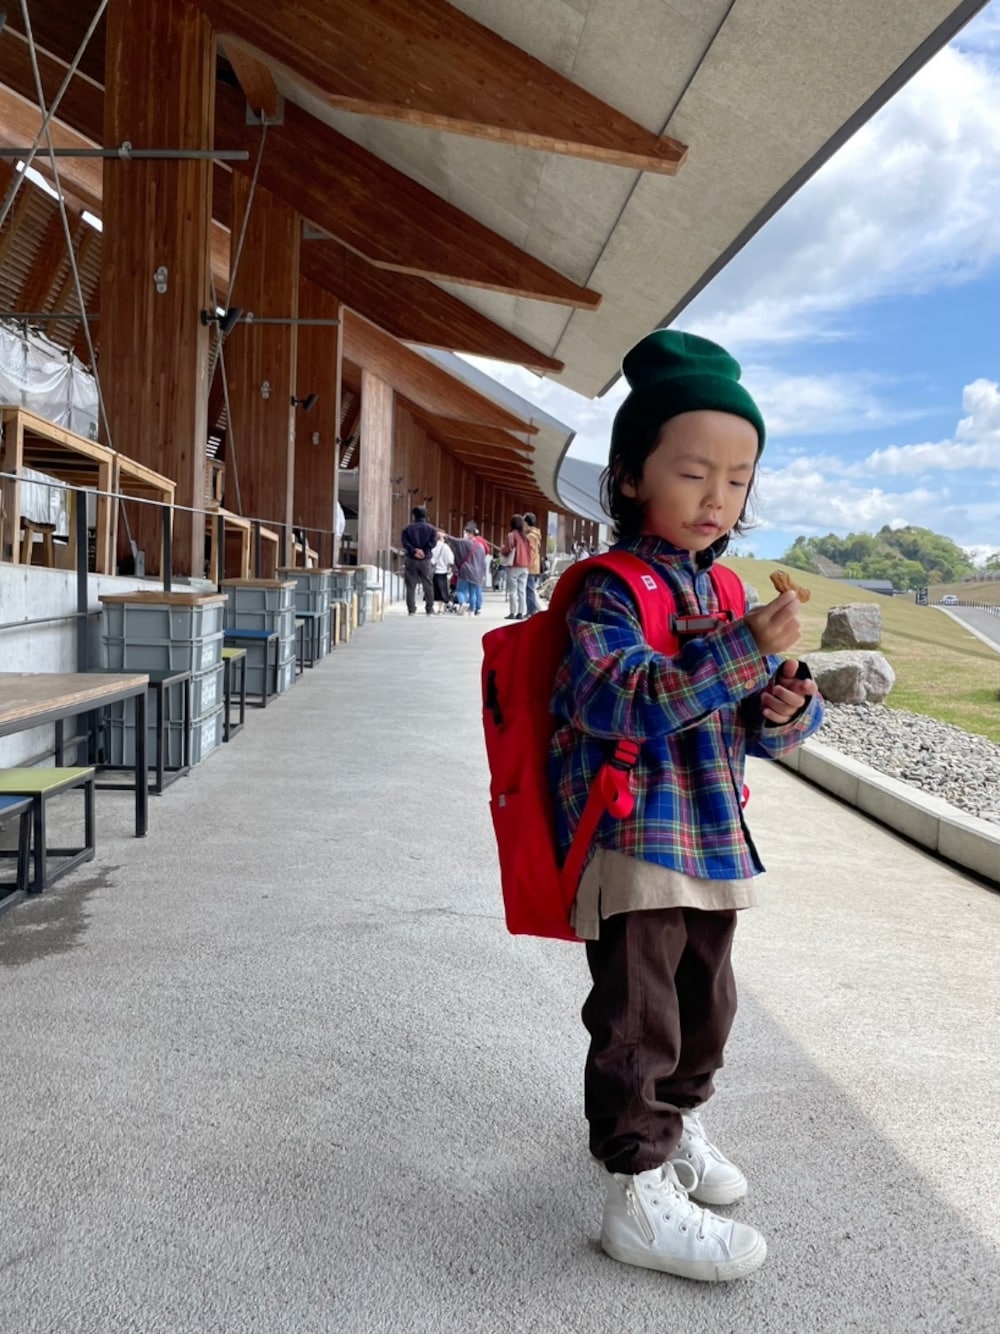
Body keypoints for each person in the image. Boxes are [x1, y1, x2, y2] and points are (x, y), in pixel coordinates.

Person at [549, 329, 823, 1283]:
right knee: (640, 1015)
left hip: (711, 831)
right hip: (635, 832)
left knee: (709, 1003)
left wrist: (786, 705)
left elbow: (752, 727)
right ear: (630, 477)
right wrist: (744, 652)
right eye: (694, 472)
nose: (718, 498)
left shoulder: (727, 589)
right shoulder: (609, 592)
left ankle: (680, 1125)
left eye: (738, 480)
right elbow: (616, 697)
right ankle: (637, 1188)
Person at [400, 505, 437, 616]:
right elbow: (433, 543)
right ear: (425, 515)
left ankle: (411, 609)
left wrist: (414, 550)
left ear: (414, 515)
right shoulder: (431, 529)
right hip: (425, 560)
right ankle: (429, 608)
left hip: (411, 559)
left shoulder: (407, 529)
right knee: (428, 584)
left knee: (410, 585)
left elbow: (405, 543)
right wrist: (424, 551)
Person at [448, 522, 488, 615]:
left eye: (466, 533)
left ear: (470, 534)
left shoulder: (465, 543)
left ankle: (462, 603)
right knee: (473, 592)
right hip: (477, 573)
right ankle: (472, 610)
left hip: (465, 571)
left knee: (460, 590)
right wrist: (483, 574)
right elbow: (483, 561)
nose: (465, 535)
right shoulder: (481, 546)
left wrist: (445, 536)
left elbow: (454, 541)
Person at [500, 515, 531, 619]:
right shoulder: (525, 537)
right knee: (522, 590)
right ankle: (521, 612)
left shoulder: (511, 535)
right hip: (525, 566)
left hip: (514, 565)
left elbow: (508, 549)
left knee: (512, 590)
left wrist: (502, 549)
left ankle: (513, 612)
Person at [430, 529, 456, 613]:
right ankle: (440, 609)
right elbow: (451, 560)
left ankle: (431, 607)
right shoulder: (445, 547)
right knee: (442, 591)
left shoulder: (430, 545)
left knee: (431, 590)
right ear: (442, 538)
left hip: (431, 571)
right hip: (442, 571)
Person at [523, 512, 543, 615]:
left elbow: (530, 552)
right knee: (530, 588)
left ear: (527, 523)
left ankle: (531, 610)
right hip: (534, 565)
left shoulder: (530, 536)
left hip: (530, 566)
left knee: (529, 589)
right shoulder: (535, 534)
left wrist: (526, 565)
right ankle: (531, 610)